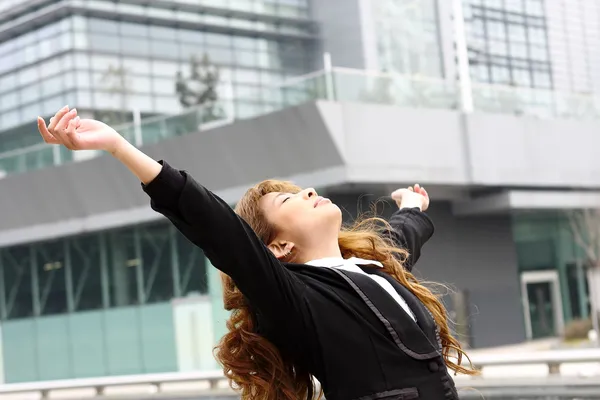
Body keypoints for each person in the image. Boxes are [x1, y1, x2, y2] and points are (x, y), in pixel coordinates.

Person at [38, 107, 476, 400]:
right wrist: (120, 147)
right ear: (278, 247)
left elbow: (398, 239)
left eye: (304, 190)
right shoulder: (294, 299)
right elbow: (218, 228)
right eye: (289, 202)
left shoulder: (373, 269)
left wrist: (413, 208)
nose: (308, 192)